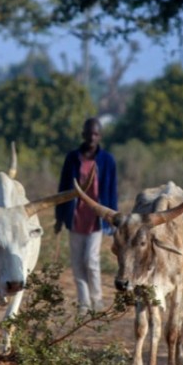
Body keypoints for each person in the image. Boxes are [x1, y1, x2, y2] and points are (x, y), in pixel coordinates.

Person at [54, 117, 118, 315]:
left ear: (100, 136)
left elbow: (112, 190)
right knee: (77, 262)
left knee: (91, 260)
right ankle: (83, 302)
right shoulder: (72, 158)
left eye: (96, 134)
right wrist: (59, 217)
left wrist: (113, 219)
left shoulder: (107, 160)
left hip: (96, 218)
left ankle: (97, 299)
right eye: (89, 133)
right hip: (75, 216)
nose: (92, 137)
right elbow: (63, 188)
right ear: (83, 134)